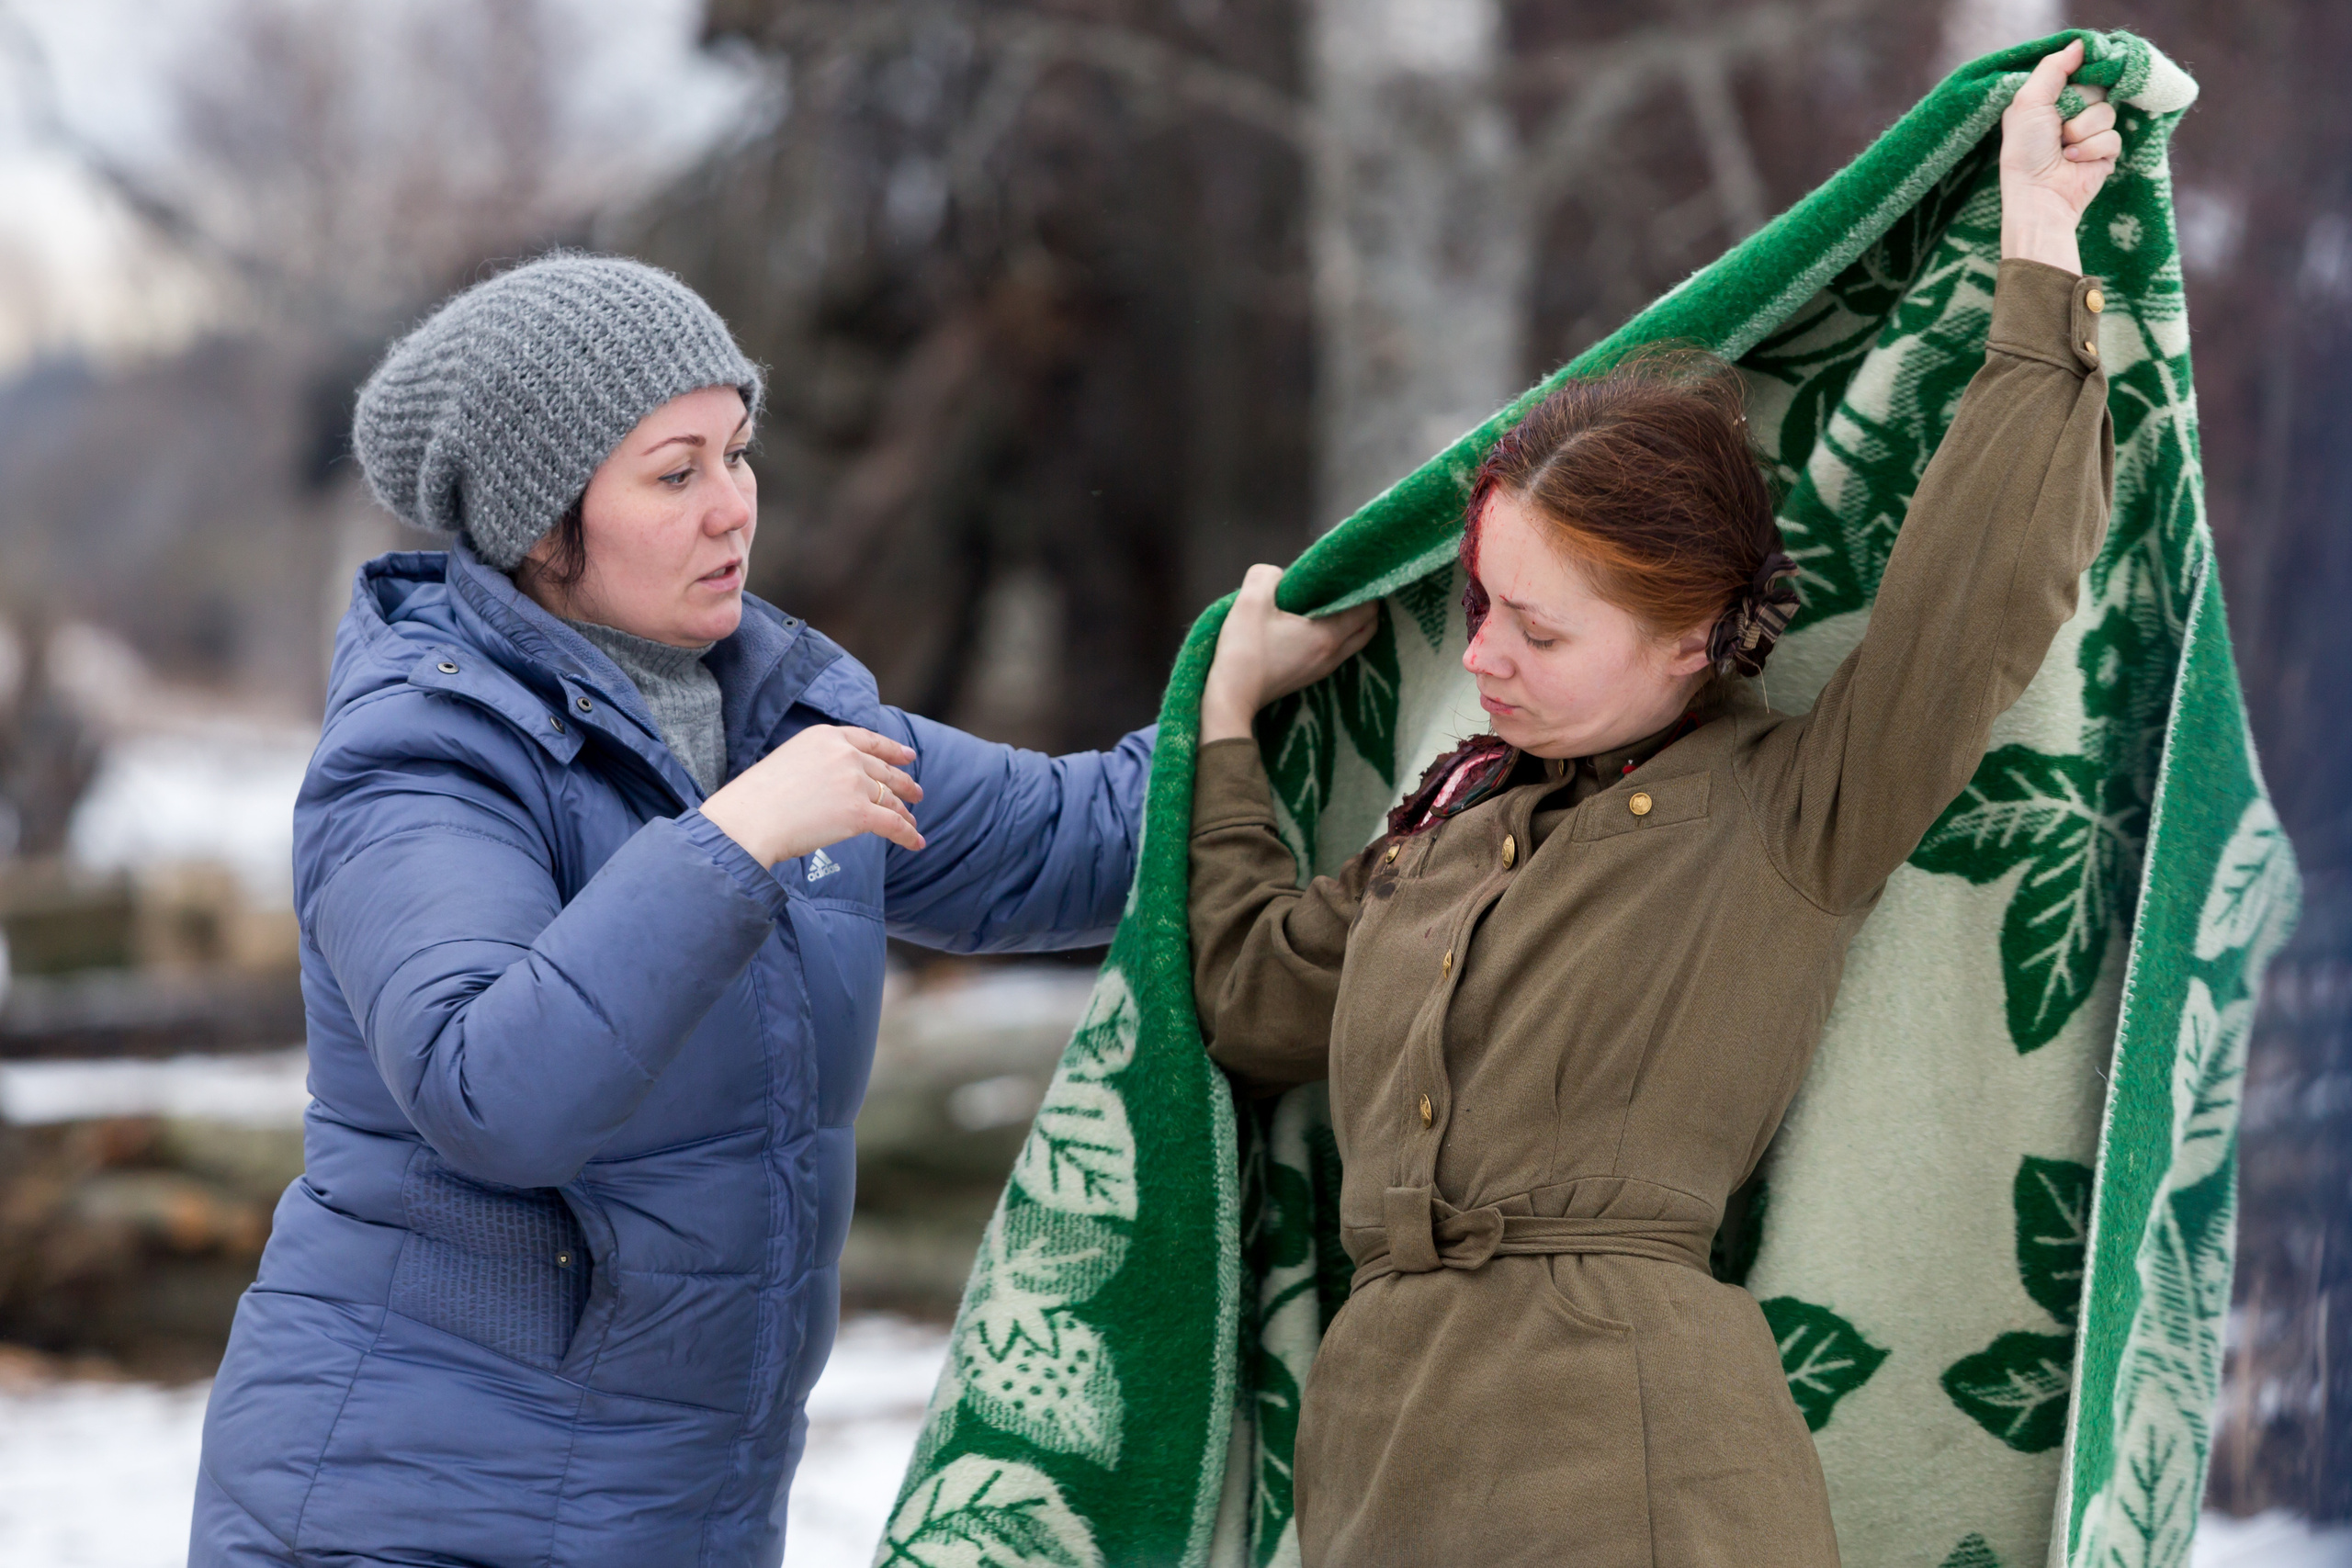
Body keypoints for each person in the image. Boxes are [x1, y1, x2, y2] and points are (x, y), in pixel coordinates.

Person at [1188, 42, 2119, 1567]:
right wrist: (1229, 722)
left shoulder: (1786, 812)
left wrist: (2039, 237)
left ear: (1695, 638)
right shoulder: (1444, 836)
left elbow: (1984, 584)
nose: (1483, 660)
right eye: (1480, 608)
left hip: (1641, 1465)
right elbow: (1246, 996)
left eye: (1539, 632)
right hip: (1379, 1456)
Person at [188, 254, 1153, 1566]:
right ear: (544, 523)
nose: (733, 507)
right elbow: (490, 1092)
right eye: (674, 473)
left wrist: (1276, 686)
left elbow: (1070, 842)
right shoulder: (425, 754)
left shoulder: (779, 714)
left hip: (667, 1517)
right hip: (402, 1516)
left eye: (738, 454)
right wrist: (735, 839)